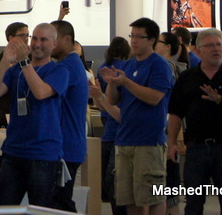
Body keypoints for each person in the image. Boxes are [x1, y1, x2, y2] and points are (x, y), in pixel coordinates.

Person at [0, 22, 68, 208]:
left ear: (54, 44)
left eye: (43, 40)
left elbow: (41, 92)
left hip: (43, 155)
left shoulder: (59, 70)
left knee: (40, 210)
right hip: (13, 152)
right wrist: (6, 60)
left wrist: (24, 62)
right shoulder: (15, 71)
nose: (37, 44)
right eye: (34, 38)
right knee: (5, 210)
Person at [100, 17, 173, 215]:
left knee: (152, 196)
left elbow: (154, 98)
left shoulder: (159, 65)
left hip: (148, 141)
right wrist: (113, 83)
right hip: (124, 139)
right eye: (132, 36)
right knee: (129, 197)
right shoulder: (128, 65)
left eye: (139, 37)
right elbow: (113, 101)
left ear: (152, 40)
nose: (134, 41)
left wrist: (126, 83)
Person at [167, 28, 222, 215]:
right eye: (210, 45)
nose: (216, 49)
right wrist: (172, 143)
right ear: (199, 50)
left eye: (219, 44)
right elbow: (175, 113)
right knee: (193, 203)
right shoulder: (187, 78)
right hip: (196, 148)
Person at [50, 20, 89, 212]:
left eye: (52, 38)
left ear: (67, 39)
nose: (49, 43)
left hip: (66, 148)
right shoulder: (72, 65)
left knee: (60, 202)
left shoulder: (66, 67)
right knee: (59, 201)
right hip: (68, 146)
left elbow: (43, 94)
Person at [90, 36, 131, 215]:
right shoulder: (124, 69)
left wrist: (101, 97)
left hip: (114, 132)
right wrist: (101, 96)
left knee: (112, 182)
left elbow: (113, 110)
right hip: (111, 131)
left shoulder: (105, 69)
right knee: (111, 182)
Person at [154, 31, 188, 215]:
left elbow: (176, 106)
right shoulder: (177, 68)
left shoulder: (170, 69)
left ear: (168, 47)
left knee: (169, 180)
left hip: (168, 131)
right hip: (163, 131)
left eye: (157, 41)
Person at [0, 21, 29, 128]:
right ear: (10, 38)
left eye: (27, 35)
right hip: (5, 110)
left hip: (27, 112)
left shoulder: (32, 58)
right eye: (22, 35)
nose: (26, 38)